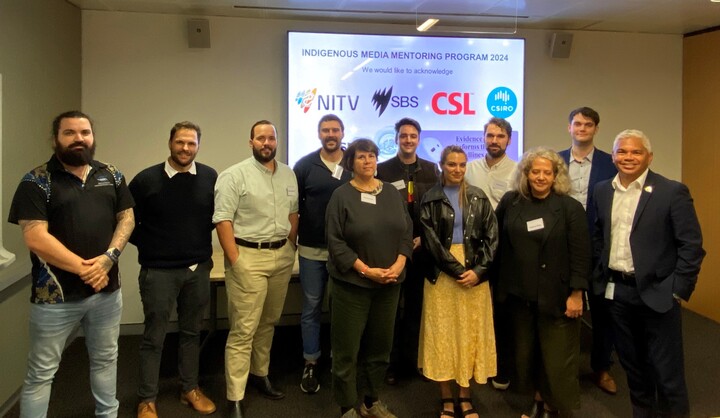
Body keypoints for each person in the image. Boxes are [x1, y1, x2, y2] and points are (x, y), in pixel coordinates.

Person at [8, 110, 135, 418]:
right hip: (55, 298)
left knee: (106, 360)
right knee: (41, 373)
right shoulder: (36, 181)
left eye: (85, 132)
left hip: (106, 292)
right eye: (70, 133)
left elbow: (127, 217)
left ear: (92, 137)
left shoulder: (111, 174)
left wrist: (108, 259)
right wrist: (86, 269)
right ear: (56, 140)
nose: (79, 138)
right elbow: (35, 237)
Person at [591, 130, 705, 418]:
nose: (628, 157)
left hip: (659, 295)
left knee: (667, 374)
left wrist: (677, 290)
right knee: (635, 371)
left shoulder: (671, 191)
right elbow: (598, 237)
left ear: (649, 157)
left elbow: (690, 246)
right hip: (617, 295)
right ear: (613, 156)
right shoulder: (603, 190)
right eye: (622, 152)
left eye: (636, 152)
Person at [129, 121, 217, 418]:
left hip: (196, 270)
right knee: (154, 337)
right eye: (180, 142)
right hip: (159, 272)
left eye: (191, 143)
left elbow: (216, 218)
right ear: (170, 143)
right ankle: (147, 399)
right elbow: (126, 223)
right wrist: (152, 246)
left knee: (192, 332)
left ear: (198, 146)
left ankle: (189, 389)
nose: (185, 148)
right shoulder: (145, 181)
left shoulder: (209, 177)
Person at [494, 147, 590, 418]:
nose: (540, 177)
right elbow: (496, 242)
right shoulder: (511, 201)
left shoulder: (570, 207)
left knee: (556, 357)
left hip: (557, 296)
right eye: (535, 171)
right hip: (518, 296)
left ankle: (551, 405)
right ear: (525, 173)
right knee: (526, 355)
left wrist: (577, 293)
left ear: (555, 176)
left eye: (547, 172)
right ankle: (537, 400)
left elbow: (581, 254)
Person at [213, 120, 299, 418]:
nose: (266, 142)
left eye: (271, 138)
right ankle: (234, 396)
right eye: (260, 138)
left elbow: (293, 213)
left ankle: (260, 374)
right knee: (243, 329)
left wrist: (290, 246)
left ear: (277, 141)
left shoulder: (288, 173)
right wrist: (235, 259)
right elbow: (222, 220)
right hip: (247, 257)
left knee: (269, 321)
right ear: (251, 142)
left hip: (281, 257)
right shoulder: (233, 176)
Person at [326, 139, 413, 418]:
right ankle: (346, 407)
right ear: (351, 162)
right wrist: (365, 270)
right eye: (361, 157)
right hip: (352, 286)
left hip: (389, 285)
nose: (368, 161)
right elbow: (335, 242)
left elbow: (406, 232)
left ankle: (370, 401)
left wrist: (400, 264)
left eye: (372, 156)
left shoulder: (391, 192)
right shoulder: (341, 196)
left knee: (380, 349)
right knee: (347, 351)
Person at [418, 145, 498, 418]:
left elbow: (492, 238)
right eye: (452, 164)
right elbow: (431, 242)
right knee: (443, 336)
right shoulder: (430, 198)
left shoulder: (478, 196)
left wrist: (479, 270)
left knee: (470, 335)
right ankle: (446, 400)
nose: (458, 170)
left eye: (462, 165)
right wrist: (457, 270)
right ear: (441, 165)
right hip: (442, 275)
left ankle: (465, 396)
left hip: (476, 274)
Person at [558, 107, 619, 395]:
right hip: (561, 246)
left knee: (603, 311)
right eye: (577, 123)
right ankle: (561, 369)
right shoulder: (555, 161)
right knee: (559, 309)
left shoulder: (612, 163)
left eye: (588, 124)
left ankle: (601, 368)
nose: (582, 128)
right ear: (569, 127)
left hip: (599, 246)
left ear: (596, 129)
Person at [376, 117, 440, 384]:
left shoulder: (431, 169)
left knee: (416, 309)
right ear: (396, 138)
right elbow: (378, 213)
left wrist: (424, 239)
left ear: (419, 138)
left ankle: (414, 361)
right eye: (403, 136)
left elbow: (437, 210)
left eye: (413, 136)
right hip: (393, 252)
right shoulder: (383, 170)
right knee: (391, 310)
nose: (408, 140)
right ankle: (390, 364)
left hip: (422, 251)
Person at [293, 114, 352, 394]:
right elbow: (294, 208)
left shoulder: (354, 163)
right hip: (311, 250)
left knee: (344, 308)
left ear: (342, 133)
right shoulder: (304, 166)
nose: (331, 134)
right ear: (319, 134)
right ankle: (311, 360)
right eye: (326, 130)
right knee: (311, 306)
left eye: (335, 130)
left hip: (346, 252)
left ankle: (340, 361)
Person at [464, 117, 518, 391]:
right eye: (490, 135)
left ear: (508, 139)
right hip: (473, 250)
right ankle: (474, 362)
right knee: (475, 308)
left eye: (500, 136)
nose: (494, 140)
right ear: (483, 138)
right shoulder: (469, 168)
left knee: (502, 310)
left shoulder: (519, 171)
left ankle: (501, 366)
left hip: (507, 249)